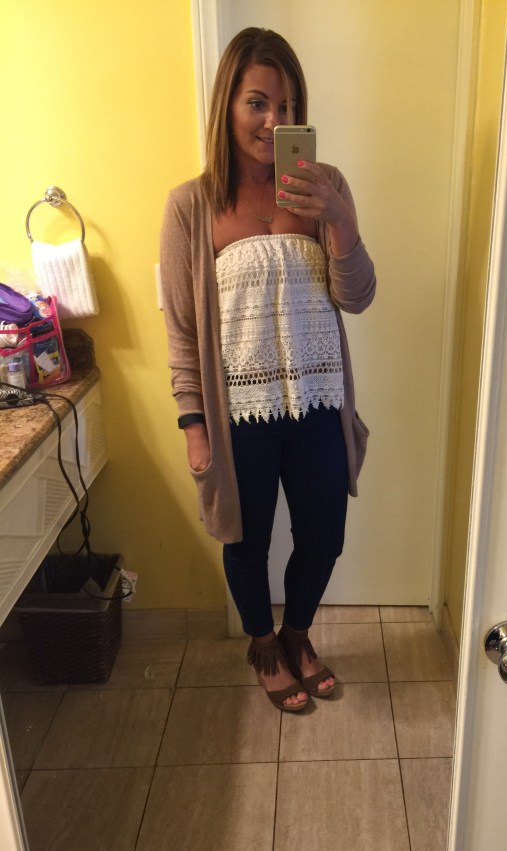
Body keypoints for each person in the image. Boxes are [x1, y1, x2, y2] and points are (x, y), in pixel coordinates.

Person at [160, 27, 376, 712]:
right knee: (246, 538)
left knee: (324, 533)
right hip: (238, 414)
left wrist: (338, 219)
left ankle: (297, 633)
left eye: (288, 106)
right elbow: (182, 331)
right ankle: (263, 643)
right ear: (228, 105)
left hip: (318, 399)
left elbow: (358, 297)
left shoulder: (325, 187)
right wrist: (194, 426)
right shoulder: (191, 205)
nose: (274, 121)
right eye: (257, 103)